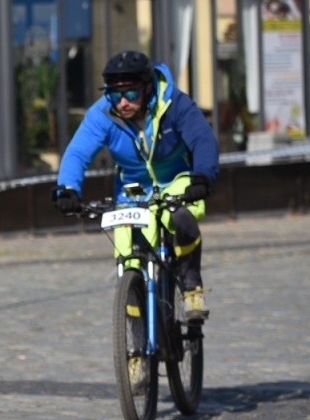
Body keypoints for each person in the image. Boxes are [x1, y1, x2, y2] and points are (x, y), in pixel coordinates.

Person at [52, 50, 219, 320]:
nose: (123, 102)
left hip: (178, 180)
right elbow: (78, 153)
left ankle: (191, 286)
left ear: (148, 87)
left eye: (131, 93)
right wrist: (68, 188)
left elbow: (203, 140)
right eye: (115, 94)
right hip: (133, 187)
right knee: (127, 244)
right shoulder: (102, 113)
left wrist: (203, 175)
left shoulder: (175, 104)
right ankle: (135, 330)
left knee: (180, 216)